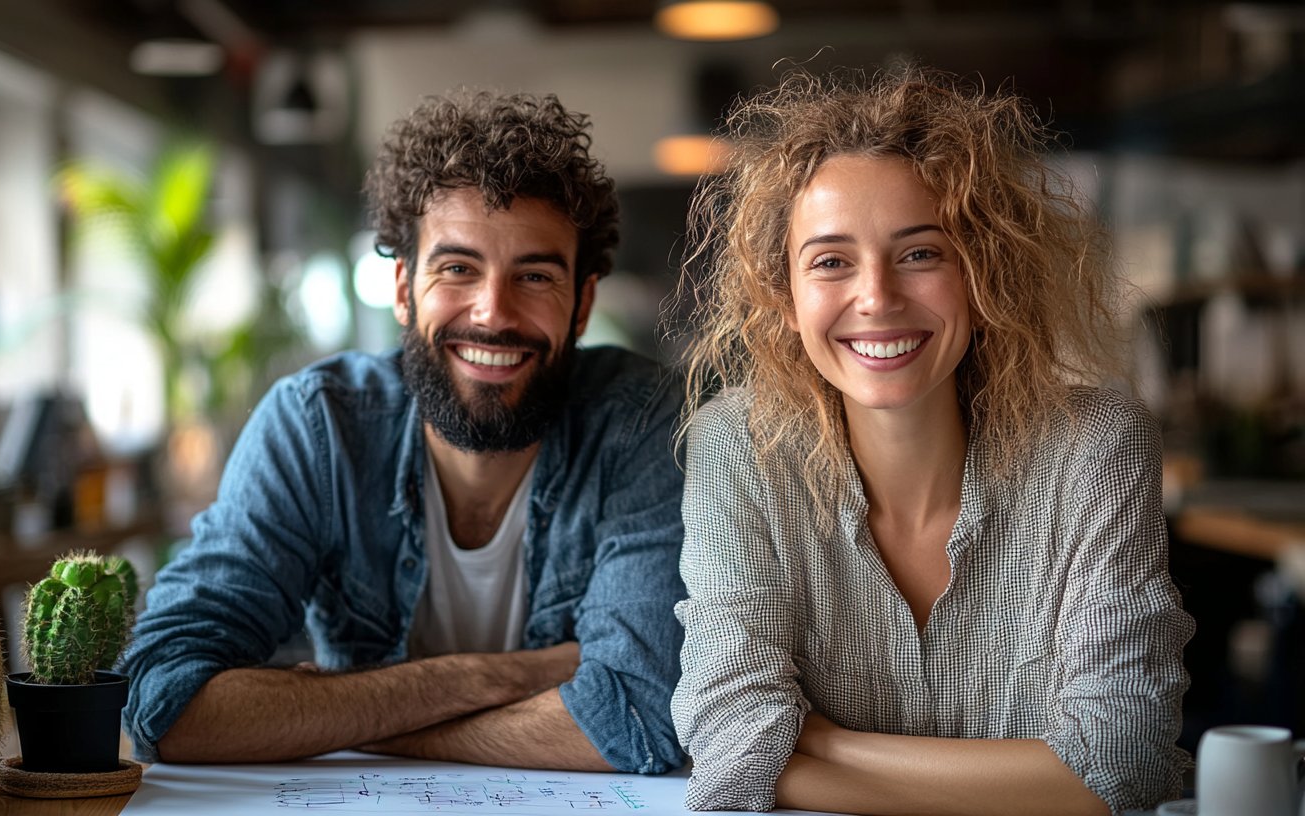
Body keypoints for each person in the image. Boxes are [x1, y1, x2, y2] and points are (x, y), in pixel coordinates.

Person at [669, 67, 1194, 815]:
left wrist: (814, 741)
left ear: (982, 277)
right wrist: (1040, 778)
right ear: (783, 297)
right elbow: (725, 745)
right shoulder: (737, 447)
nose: (876, 296)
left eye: (920, 253)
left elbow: (1125, 763)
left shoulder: (1096, 447)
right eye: (831, 261)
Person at [120, 90, 686, 775]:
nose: (492, 312)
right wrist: (498, 677)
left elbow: (640, 716)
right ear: (402, 287)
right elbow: (164, 699)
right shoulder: (320, 425)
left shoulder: (642, 423)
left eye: (534, 276)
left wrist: (334, 718)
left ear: (583, 303)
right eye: (457, 269)